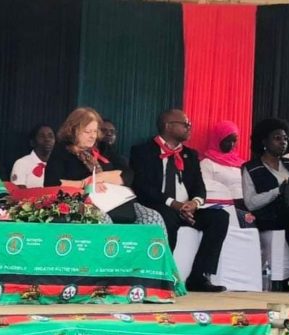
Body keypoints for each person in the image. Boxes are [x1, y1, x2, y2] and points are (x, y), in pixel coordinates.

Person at [130, 109, 228, 292]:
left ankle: (199, 277)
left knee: (220, 217)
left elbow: (199, 187)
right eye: (185, 124)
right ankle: (164, 275)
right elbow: (143, 187)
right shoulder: (142, 151)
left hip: (186, 208)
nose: (189, 128)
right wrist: (173, 204)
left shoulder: (190, 154)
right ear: (168, 126)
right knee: (166, 217)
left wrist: (194, 203)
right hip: (160, 205)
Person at [45, 107, 164, 227]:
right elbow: (52, 184)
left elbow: (127, 174)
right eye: (87, 132)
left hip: (116, 201)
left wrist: (101, 178)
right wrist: (84, 184)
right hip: (81, 202)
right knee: (102, 220)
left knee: (153, 218)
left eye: (95, 131)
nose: (92, 136)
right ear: (73, 130)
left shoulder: (103, 147)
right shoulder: (61, 151)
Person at [242, 118, 289, 290]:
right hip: (267, 214)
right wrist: (278, 190)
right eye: (277, 138)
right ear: (264, 141)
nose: (283, 142)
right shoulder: (251, 167)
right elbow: (251, 203)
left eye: (285, 139)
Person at [200, 120, 245, 206]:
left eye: (234, 141)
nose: (231, 145)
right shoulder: (207, 164)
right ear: (218, 140)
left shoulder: (241, 163)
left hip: (248, 203)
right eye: (227, 141)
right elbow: (206, 191)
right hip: (226, 205)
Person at [10, 124, 55, 188]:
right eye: (42, 136)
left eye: (50, 136)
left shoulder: (57, 165)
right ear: (32, 142)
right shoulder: (21, 163)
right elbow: (18, 191)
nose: (47, 139)